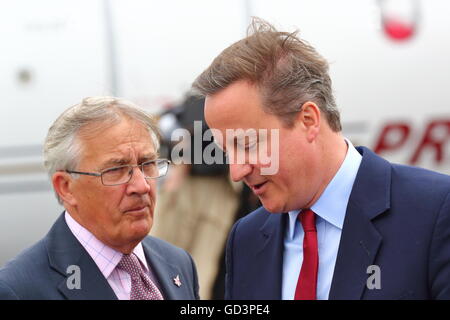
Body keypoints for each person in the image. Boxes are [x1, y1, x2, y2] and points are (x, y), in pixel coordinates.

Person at [192, 18, 450, 300]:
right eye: (227, 151)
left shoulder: (434, 212)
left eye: (248, 144)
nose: (237, 172)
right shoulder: (246, 239)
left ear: (308, 120)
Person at [0, 97, 199, 300]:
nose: (142, 186)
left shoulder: (178, 263)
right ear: (66, 187)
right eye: (116, 170)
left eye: (147, 164)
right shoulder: (18, 290)